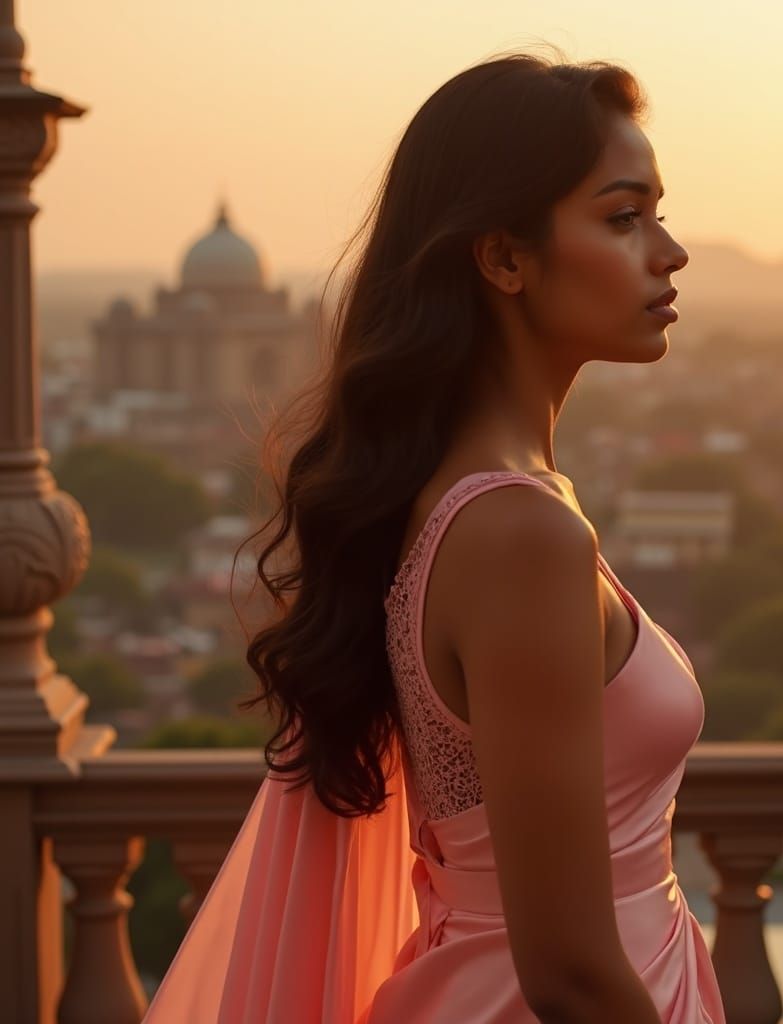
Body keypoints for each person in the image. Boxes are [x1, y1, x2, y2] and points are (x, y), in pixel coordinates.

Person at [142, 46, 726, 1024]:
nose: (668, 251)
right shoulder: (516, 531)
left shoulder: (469, 498)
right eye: (623, 217)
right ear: (501, 256)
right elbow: (571, 973)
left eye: (658, 213)